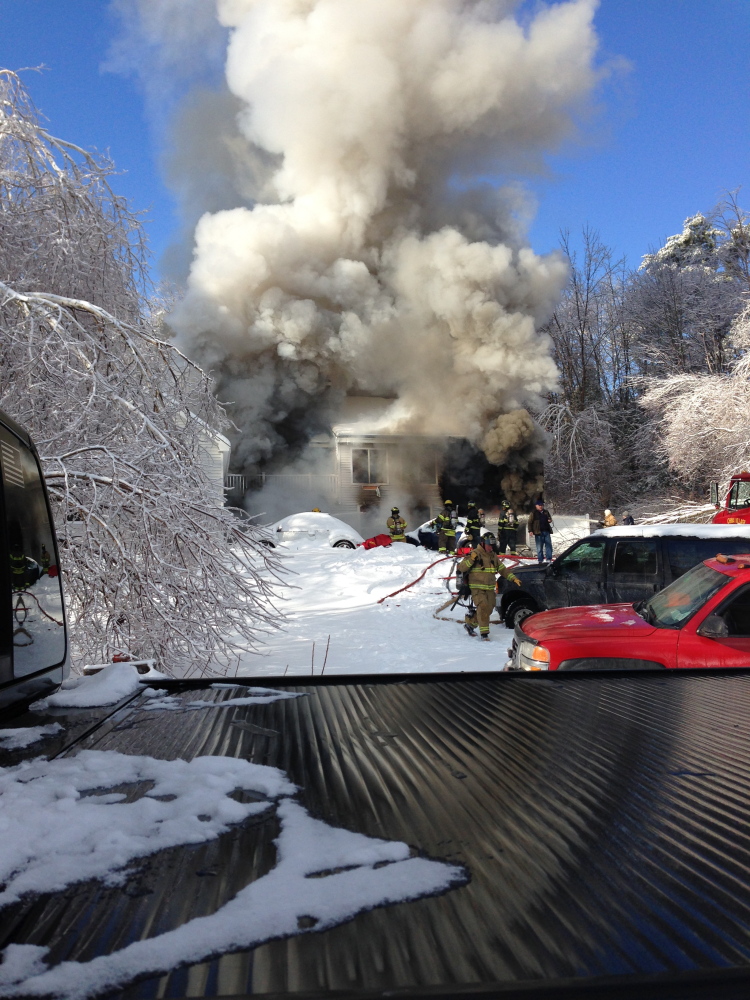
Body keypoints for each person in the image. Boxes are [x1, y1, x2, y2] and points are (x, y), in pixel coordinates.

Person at [459, 532, 521, 640]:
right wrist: (471, 559)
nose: (490, 547)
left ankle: (470, 624)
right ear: (483, 544)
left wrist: (513, 578)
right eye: (489, 545)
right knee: (483, 607)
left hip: (489, 588)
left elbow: (502, 569)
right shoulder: (474, 554)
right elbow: (462, 568)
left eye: (492, 545)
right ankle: (484, 635)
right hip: (477, 588)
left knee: (489, 608)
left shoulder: (493, 556)